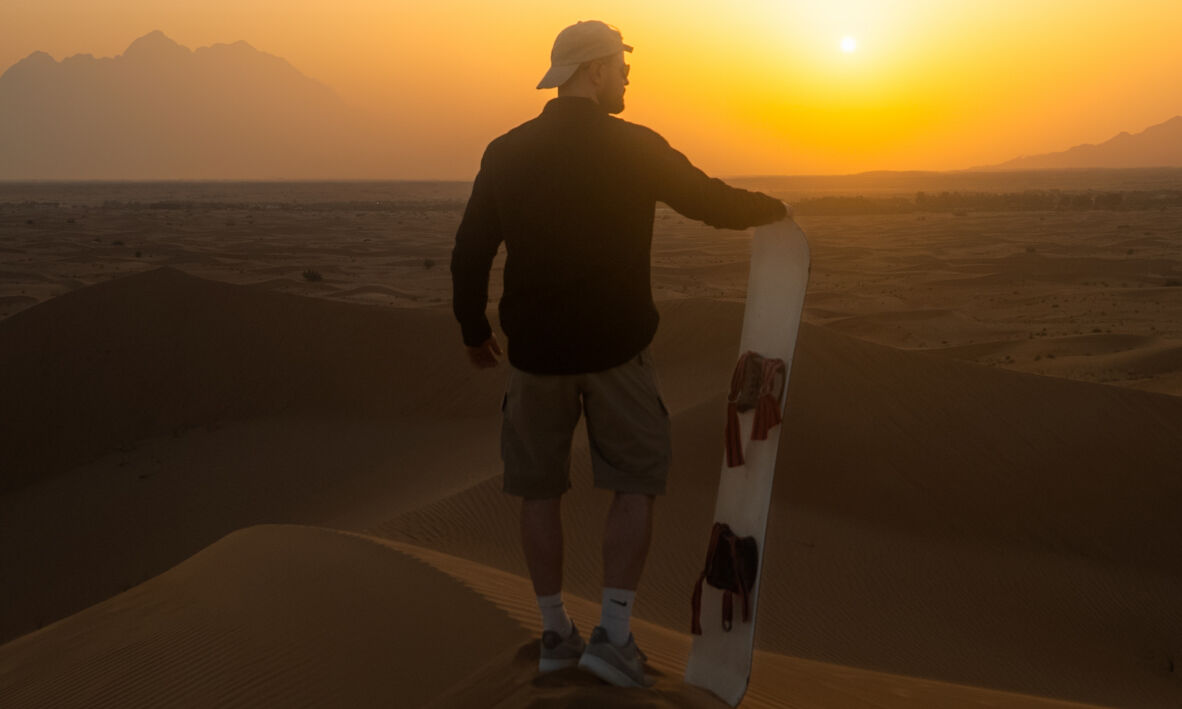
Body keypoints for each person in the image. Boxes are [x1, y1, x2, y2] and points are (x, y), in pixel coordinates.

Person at [450, 20, 790, 688]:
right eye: (621, 65)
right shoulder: (634, 147)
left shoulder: (508, 150)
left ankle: (553, 632)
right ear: (595, 70)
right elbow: (708, 201)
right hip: (616, 351)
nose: (630, 75)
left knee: (538, 490)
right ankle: (614, 635)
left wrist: (471, 328)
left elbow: (470, 249)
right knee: (635, 481)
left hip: (536, 357)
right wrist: (775, 210)